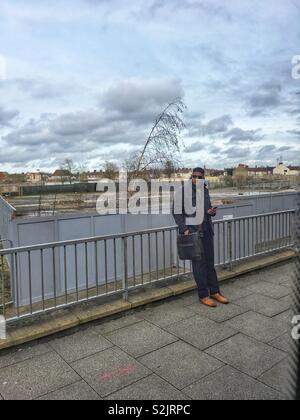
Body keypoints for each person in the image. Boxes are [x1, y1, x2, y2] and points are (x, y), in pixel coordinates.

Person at [173, 167, 229, 307]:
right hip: (193, 233)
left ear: (203, 178)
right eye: (194, 176)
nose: (196, 179)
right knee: (199, 266)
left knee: (210, 264)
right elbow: (176, 211)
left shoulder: (204, 189)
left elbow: (206, 209)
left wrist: (211, 212)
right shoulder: (183, 191)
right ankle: (203, 295)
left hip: (207, 232)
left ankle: (215, 292)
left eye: (199, 177)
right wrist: (184, 229)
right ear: (191, 177)